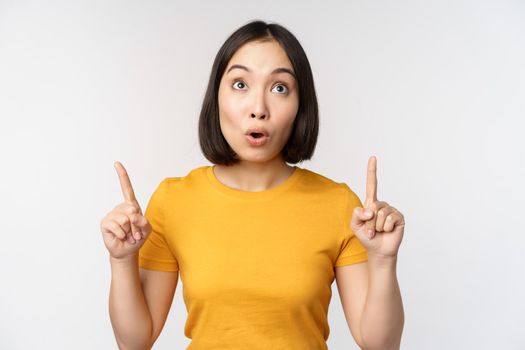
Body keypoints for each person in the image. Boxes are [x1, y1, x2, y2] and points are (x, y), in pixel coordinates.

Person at [100, 20, 405, 350]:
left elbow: (379, 345)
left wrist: (383, 261)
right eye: (240, 84)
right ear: (216, 95)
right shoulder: (174, 201)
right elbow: (135, 342)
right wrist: (121, 261)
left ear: (301, 106)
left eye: (279, 88)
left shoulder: (339, 205)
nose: (258, 109)